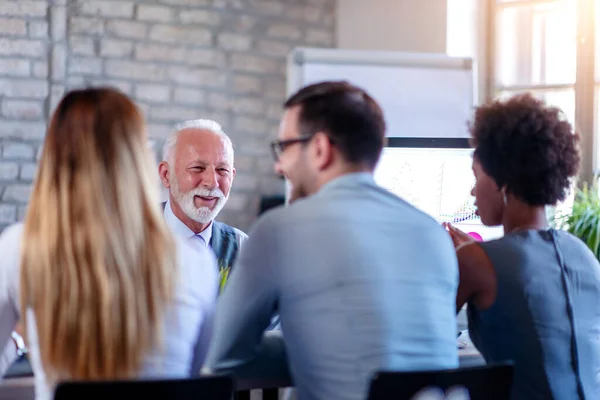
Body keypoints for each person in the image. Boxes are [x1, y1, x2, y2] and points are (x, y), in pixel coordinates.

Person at [203, 81, 459, 400]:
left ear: (321, 150)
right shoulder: (433, 232)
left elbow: (224, 356)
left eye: (285, 148)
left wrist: (307, 344)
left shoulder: (280, 229)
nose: (279, 166)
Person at [0, 88, 218, 400]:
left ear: (53, 161)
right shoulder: (196, 261)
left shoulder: (20, 248)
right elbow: (195, 378)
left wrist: (20, 341)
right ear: (139, 161)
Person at [444, 93, 600, 400]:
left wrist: (455, 258)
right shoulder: (581, 252)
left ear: (504, 180)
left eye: (477, 177)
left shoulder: (476, 261)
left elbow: (418, 328)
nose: (473, 191)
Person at [158, 119, 247, 291]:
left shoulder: (243, 249)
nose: (212, 182)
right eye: (197, 168)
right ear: (166, 174)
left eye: (222, 170)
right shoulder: (129, 237)